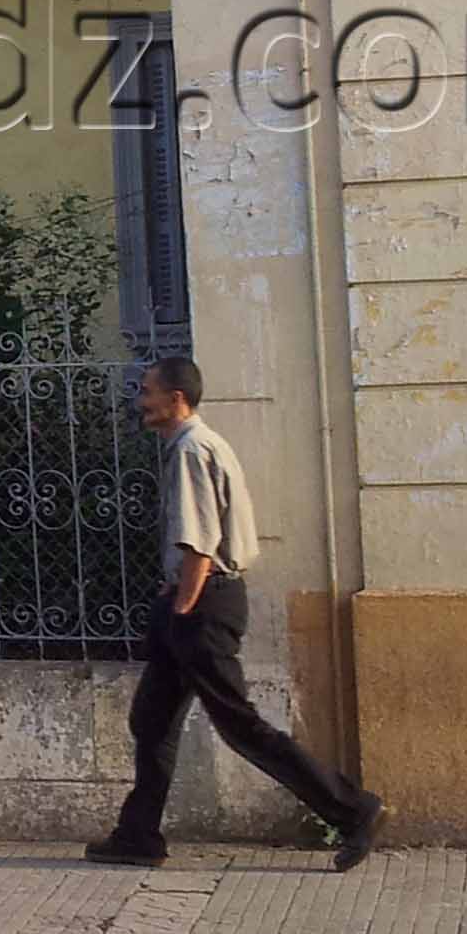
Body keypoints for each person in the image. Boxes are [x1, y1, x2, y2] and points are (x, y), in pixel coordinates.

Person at [88, 356, 383, 870]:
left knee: (240, 725)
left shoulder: (192, 450)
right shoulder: (200, 445)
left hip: (202, 602)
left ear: (176, 398)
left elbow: (200, 542)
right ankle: (137, 835)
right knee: (152, 719)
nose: (140, 401)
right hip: (193, 596)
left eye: (148, 392)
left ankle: (354, 810)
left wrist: (182, 605)